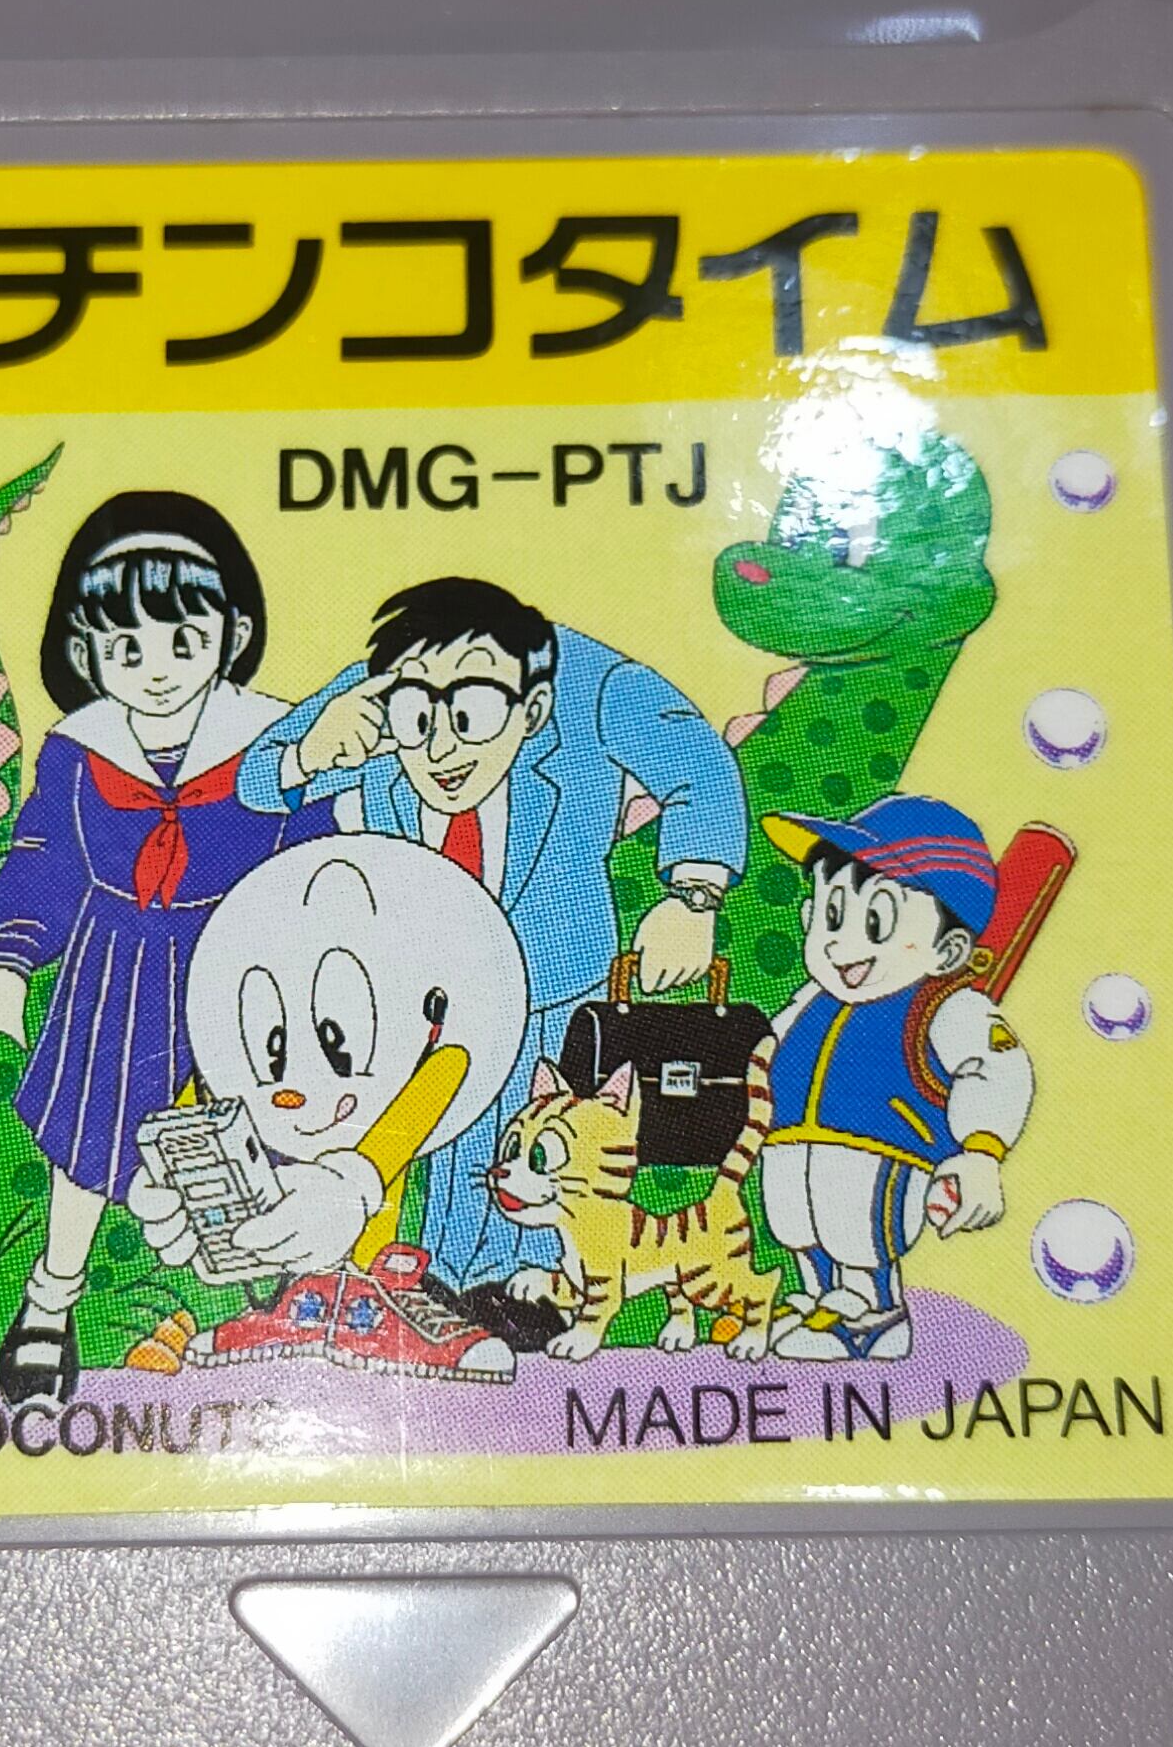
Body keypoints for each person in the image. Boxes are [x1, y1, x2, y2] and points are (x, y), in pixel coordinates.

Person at [236, 573, 746, 1306]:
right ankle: (441, 1286)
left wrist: (693, 897)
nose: (441, 747)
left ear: (532, 709)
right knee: (445, 1150)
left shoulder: (592, 687)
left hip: (551, 980)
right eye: (418, 720)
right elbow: (257, 781)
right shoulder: (386, 686)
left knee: (545, 1150)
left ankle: (541, 1292)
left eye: (472, 714)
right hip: (431, 987)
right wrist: (308, 754)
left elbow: (698, 763)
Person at [0, 490, 326, 1406]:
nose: (156, 669)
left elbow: (317, 863)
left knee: (252, 1141)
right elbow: (43, 859)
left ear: (232, 635)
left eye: (184, 640)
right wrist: (6, 970)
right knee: (87, 1144)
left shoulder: (278, 744)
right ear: (86, 653)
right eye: (127, 647)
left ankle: (262, 1299)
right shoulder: (80, 751)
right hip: (114, 978)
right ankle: (52, 1296)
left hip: (242, 976)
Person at [751, 794, 1036, 1363]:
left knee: (853, 1223)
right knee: (794, 1217)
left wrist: (981, 1151)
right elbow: (767, 1047)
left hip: (884, 1147)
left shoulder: (943, 1007)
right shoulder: (810, 1001)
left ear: (947, 950)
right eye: (831, 914)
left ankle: (874, 1312)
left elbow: (997, 1067)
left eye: (876, 922)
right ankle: (818, 1296)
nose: (839, 942)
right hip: (790, 1136)